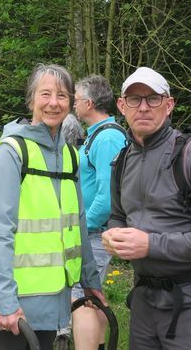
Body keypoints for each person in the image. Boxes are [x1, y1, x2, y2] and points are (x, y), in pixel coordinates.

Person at [102, 67, 191, 350]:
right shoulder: (122, 161)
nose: (143, 107)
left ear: (169, 105)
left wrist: (150, 245)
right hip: (145, 300)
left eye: (153, 98)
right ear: (121, 105)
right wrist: (114, 235)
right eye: (134, 99)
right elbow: (118, 216)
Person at [0, 63, 106, 350]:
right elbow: (0, 230)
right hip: (14, 299)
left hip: (53, 294)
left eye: (62, 95)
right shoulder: (12, 152)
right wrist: (6, 301)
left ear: (71, 102)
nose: (53, 103)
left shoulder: (71, 156)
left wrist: (90, 280)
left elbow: (78, 224)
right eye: (45, 94)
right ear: (31, 99)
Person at [69, 76, 126, 350]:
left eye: (76, 99)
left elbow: (107, 198)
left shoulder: (108, 137)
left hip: (94, 234)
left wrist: (81, 227)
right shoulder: (96, 134)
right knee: (91, 298)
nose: (73, 105)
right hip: (89, 232)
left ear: (89, 103)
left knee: (82, 299)